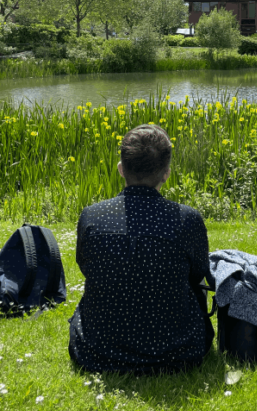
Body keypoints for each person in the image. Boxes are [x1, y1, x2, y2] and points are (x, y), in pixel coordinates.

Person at [68, 123, 214, 376]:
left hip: (97, 351)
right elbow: (198, 273)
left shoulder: (91, 216)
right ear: (166, 173)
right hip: (178, 352)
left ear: (121, 169)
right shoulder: (187, 219)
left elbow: (85, 266)